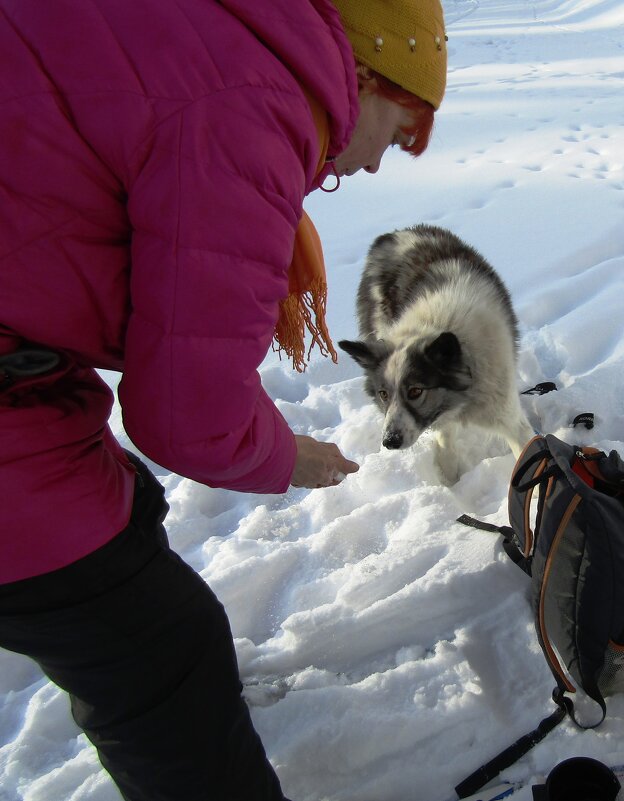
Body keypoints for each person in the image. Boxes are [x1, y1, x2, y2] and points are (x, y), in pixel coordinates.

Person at [0, 0, 447, 799]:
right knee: (160, 646)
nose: (381, 161)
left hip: (27, 370)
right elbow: (186, 415)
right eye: (402, 128)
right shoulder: (251, 107)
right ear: (370, 71)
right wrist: (285, 455)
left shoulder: (212, 39)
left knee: (122, 523)